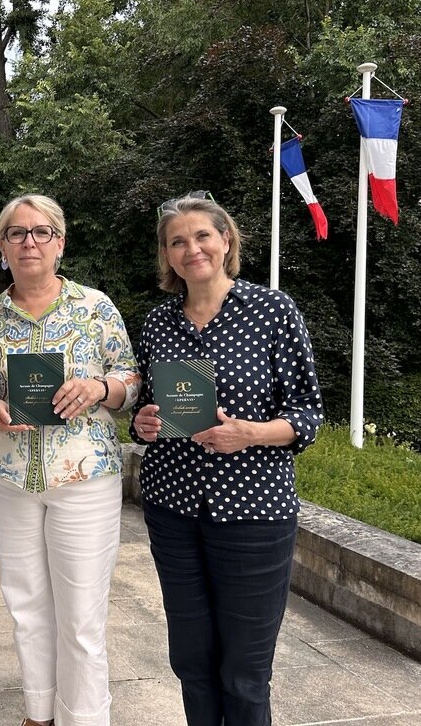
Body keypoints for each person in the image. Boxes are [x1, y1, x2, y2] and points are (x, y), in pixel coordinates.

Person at [130, 191, 324, 726]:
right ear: (167, 256)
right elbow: (146, 410)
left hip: (253, 513)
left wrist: (250, 433)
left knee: (244, 669)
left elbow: (308, 415)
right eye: (178, 241)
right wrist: (144, 423)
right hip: (173, 510)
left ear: (226, 241)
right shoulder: (157, 323)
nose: (191, 248)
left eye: (202, 236)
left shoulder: (272, 311)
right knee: (192, 661)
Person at [0, 194, 140, 726]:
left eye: (41, 232)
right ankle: (38, 714)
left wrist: (100, 387)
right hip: (11, 476)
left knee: (82, 616)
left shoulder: (94, 307)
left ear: (60, 242)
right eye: (16, 234)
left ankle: (84, 718)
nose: (29, 242)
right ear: (2, 248)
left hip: (84, 475)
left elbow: (131, 378)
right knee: (26, 606)